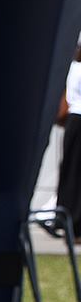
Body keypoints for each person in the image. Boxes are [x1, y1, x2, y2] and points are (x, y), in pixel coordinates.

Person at [54, 43, 81, 234]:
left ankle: (63, 217)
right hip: (78, 118)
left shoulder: (72, 68)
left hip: (72, 120)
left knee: (69, 169)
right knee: (76, 172)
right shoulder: (76, 69)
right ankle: (75, 222)